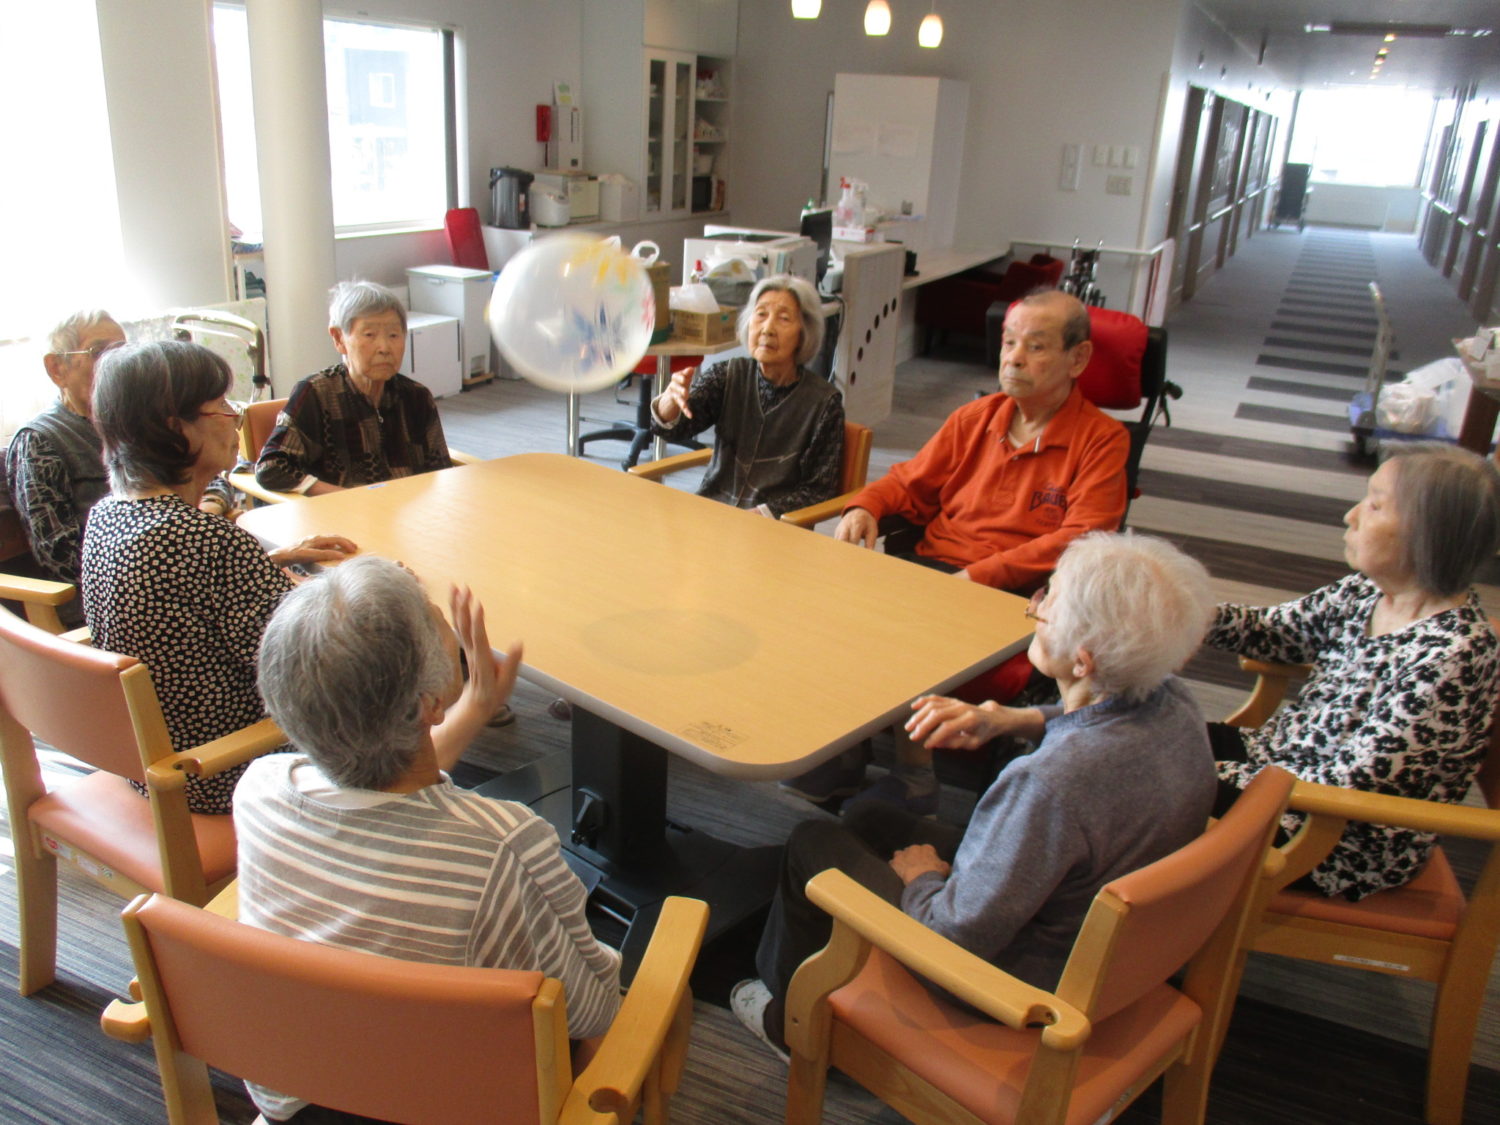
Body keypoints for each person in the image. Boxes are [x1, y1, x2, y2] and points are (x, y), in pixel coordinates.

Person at [732, 532, 1217, 1059]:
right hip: (1108, 936)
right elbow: (1098, 714)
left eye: (1048, 601)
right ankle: (833, 961)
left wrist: (923, 879)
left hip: (1014, 981)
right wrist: (1008, 719)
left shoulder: (1049, 783)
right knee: (872, 816)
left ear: (1082, 662)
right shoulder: (1174, 701)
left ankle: (790, 1023)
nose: (1034, 607)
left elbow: (952, 939)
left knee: (812, 842)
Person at [235, 556, 622, 1123]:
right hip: (452, 1104)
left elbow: (382, 796)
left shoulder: (259, 789)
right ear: (429, 703)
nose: (440, 616)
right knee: (641, 1004)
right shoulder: (498, 846)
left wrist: (476, 705)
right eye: (429, 616)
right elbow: (591, 1010)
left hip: (302, 1093)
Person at [785, 289, 1129, 812]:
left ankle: (915, 776)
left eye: (1036, 346)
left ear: (1078, 358)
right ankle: (848, 751)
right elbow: (908, 480)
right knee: (826, 606)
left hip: (1018, 594)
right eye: (1009, 343)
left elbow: (1083, 537)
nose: (1014, 358)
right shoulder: (975, 418)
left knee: (905, 630)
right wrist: (866, 507)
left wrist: (980, 576)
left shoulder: (1102, 439)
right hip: (936, 570)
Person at [1207, 442, 1500, 901]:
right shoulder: (1368, 591)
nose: (1351, 515)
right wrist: (1177, 610)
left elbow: (1349, 785)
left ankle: (1152, 926)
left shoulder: (1451, 658)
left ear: (1428, 535)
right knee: (1134, 734)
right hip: (1282, 763)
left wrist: (1201, 771)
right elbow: (1274, 632)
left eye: (1375, 505)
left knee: (1138, 775)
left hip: (1335, 837)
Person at [82, 341, 359, 814]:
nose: (235, 418)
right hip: (227, 770)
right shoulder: (207, 541)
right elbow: (312, 672)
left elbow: (180, 597)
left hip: (150, 761)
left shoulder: (108, 515)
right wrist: (359, 587)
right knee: (390, 681)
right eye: (221, 406)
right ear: (176, 429)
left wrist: (272, 561)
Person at [4, 311, 234, 623]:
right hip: (112, 604)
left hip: (185, 570)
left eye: (122, 350)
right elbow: (60, 557)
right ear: (57, 369)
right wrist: (178, 549)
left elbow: (210, 473)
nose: (116, 363)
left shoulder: (136, 422)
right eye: (100, 351)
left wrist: (205, 514)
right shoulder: (39, 441)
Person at [649, 274, 844, 517]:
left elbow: (819, 490)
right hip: (712, 512)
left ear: (804, 333)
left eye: (784, 318)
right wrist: (669, 401)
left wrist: (762, 514)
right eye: (761, 314)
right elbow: (676, 430)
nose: (768, 328)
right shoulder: (727, 374)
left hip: (774, 527)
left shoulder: (824, 403)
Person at [254, 280, 452, 495]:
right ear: (339, 338)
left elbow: (440, 469)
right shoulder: (316, 394)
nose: (384, 348)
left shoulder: (416, 397)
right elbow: (271, 468)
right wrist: (344, 497)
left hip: (410, 509)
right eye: (370, 335)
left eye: (394, 335)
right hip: (342, 512)